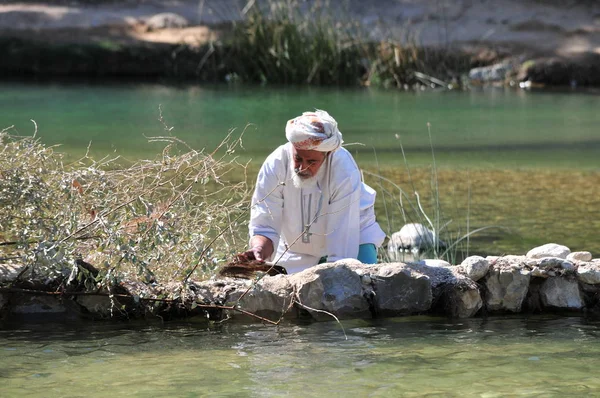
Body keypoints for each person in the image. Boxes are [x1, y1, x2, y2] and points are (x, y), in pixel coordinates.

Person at [242, 110, 386, 274]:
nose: (302, 168)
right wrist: (258, 250)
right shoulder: (275, 164)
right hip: (295, 249)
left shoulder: (343, 170)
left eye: (311, 161)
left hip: (354, 240)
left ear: (328, 154)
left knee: (359, 285)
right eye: (298, 158)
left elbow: (342, 248)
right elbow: (265, 225)